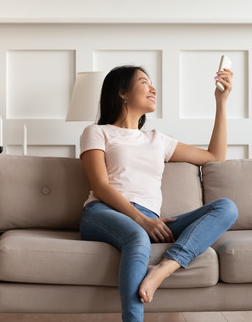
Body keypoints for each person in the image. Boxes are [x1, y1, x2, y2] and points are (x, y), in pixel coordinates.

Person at [78, 65, 238, 322]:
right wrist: (141, 221)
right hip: (104, 212)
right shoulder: (97, 132)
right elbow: (100, 185)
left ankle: (164, 268)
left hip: (151, 219)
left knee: (227, 208)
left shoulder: (157, 139)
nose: (153, 89)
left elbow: (215, 158)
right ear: (122, 92)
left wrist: (221, 103)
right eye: (144, 82)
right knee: (137, 238)